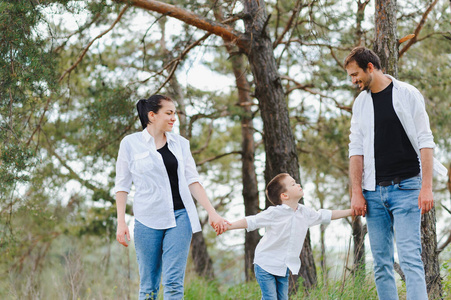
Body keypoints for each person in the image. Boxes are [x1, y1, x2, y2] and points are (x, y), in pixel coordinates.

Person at [345, 46, 448, 300]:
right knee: (380, 264)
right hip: (373, 192)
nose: (353, 80)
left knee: (410, 258)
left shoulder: (407, 93)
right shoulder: (360, 103)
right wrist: (356, 193)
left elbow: (425, 140)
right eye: (350, 76)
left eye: (355, 74)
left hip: (407, 188)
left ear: (370, 67)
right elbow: (355, 149)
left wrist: (426, 187)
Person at [114, 94, 229, 300]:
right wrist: (121, 222)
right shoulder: (130, 144)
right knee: (148, 285)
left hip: (180, 218)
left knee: (174, 283)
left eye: (175, 113)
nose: (173, 118)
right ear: (152, 115)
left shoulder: (181, 144)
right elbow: (122, 186)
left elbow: (193, 180)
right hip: (146, 220)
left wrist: (212, 213)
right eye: (169, 113)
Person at [224, 173, 352, 300]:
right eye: (293, 184)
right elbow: (251, 221)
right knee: (270, 297)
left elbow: (325, 215)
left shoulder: (304, 212)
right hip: (265, 264)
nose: (298, 184)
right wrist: (228, 226)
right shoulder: (275, 213)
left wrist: (351, 211)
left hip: (283, 266)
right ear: (284, 195)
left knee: (283, 298)